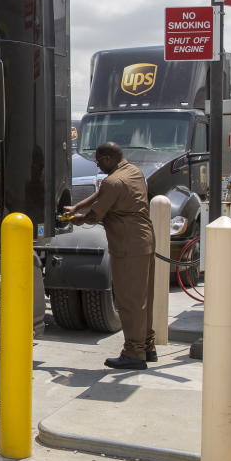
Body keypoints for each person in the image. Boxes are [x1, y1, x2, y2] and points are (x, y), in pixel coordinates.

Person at [63, 142, 156, 370]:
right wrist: (77, 206)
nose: (98, 165)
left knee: (128, 301)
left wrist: (78, 218)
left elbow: (95, 215)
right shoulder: (132, 172)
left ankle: (134, 354)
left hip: (127, 246)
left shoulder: (112, 181)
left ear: (106, 158)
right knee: (144, 299)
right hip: (144, 241)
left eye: (98, 161)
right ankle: (147, 347)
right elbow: (101, 193)